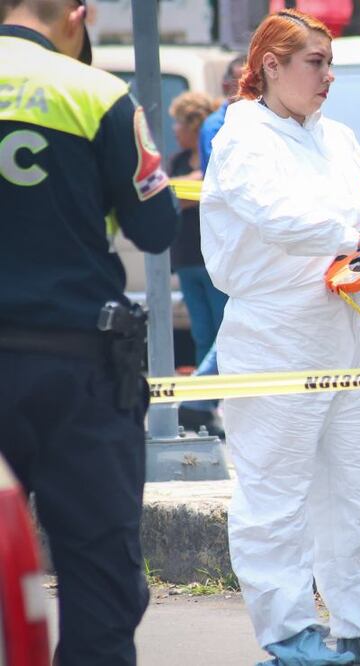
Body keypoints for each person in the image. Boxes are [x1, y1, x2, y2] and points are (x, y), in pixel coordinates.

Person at [200, 9, 360, 664]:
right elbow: (279, 218)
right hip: (273, 329)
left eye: (331, 63)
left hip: (342, 324)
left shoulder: (336, 136)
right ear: (270, 66)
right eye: (315, 63)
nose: (327, 77)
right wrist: (356, 239)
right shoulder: (241, 135)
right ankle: (289, 637)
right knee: (274, 495)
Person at [0, 1, 179, 664]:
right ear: (79, 14)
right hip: (78, 375)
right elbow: (156, 228)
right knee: (98, 577)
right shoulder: (95, 94)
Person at [167, 90, 228, 435]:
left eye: (179, 122)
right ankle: (207, 407)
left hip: (212, 260)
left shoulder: (214, 157)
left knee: (226, 332)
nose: (175, 129)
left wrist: (182, 189)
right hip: (186, 259)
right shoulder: (177, 162)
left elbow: (202, 191)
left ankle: (201, 402)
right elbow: (171, 195)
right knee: (203, 334)